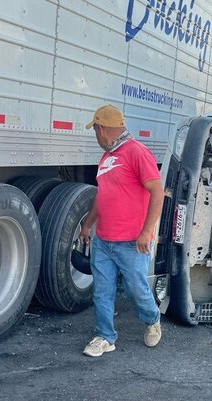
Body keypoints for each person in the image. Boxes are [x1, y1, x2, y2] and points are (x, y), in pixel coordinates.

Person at [78, 104, 165, 357]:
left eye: (95, 130)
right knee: (102, 291)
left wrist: (145, 232)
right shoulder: (107, 157)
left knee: (136, 291)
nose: (95, 136)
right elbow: (102, 195)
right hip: (103, 240)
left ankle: (152, 320)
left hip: (131, 242)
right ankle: (105, 336)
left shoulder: (137, 152)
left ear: (101, 128)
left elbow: (157, 192)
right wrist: (87, 224)